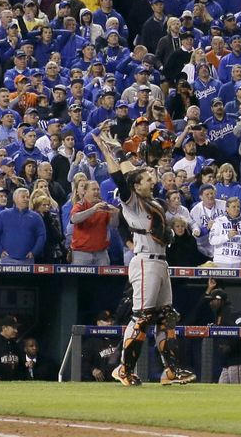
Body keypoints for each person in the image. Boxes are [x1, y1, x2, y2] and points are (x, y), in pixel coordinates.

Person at [92, 131, 196, 387]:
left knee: (166, 317)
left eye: (152, 177)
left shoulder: (155, 202)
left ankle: (171, 371)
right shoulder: (133, 201)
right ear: (137, 186)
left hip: (161, 261)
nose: (152, 180)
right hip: (145, 261)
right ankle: (123, 369)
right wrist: (107, 152)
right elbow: (120, 177)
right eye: (148, 179)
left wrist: (120, 150)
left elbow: (130, 170)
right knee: (141, 316)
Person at [207, 288, 241, 384]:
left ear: (220, 300)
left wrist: (229, 345)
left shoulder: (232, 312)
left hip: (238, 357)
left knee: (237, 387)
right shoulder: (219, 314)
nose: (210, 303)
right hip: (228, 360)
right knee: (222, 387)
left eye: (213, 300)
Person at [0, 188, 46, 265]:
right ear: (15, 198)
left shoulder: (36, 217)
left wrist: (34, 252)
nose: (26, 199)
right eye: (23, 197)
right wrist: (0, 250)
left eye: (27, 197)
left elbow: (41, 236)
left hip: (27, 260)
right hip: (7, 260)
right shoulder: (3, 215)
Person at [70, 180, 119, 265]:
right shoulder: (80, 205)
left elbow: (113, 225)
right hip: (82, 253)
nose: (96, 192)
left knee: (103, 278)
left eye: (98, 189)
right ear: (85, 191)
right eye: (93, 189)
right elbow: (74, 219)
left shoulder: (104, 206)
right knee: (80, 278)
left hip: (101, 253)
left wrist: (114, 213)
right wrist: (93, 209)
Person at [208, 197, 241, 267]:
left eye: (238, 207)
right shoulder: (218, 221)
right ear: (227, 209)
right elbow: (212, 240)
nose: (236, 209)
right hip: (220, 262)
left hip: (239, 263)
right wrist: (227, 236)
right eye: (233, 207)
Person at [81, 310, 119, 382]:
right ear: (98, 323)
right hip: (99, 381)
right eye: (106, 321)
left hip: (118, 380)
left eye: (111, 320)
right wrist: (93, 370)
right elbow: (83, 362)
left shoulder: (120, 340)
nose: (110, 323)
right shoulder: (91, 342)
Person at [0, 316, 23, 381]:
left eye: (16, 328)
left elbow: (21, 367)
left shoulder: (15, 345)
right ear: (4, 328)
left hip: (14, 386)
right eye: (13, 327)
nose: (16, 330)